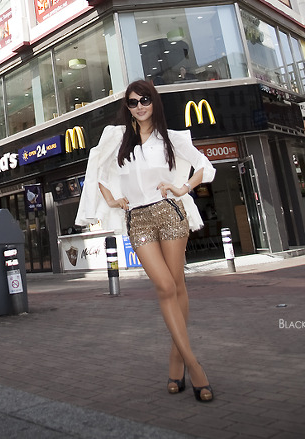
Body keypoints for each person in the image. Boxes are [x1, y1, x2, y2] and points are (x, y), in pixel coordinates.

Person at [76, 79, 217, 402]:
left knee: (177, 285)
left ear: (154, 102)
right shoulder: (118, 140)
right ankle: (193, 364)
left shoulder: (170, 138)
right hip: (137, 220)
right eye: (132, 102)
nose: (139, 106)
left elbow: (203, 166)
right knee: (165, 287)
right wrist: (112, 200)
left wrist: (183, 188)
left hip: (169, 212)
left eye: (145, 100)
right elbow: (97, 173)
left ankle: (176, 363)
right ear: (127, 107)